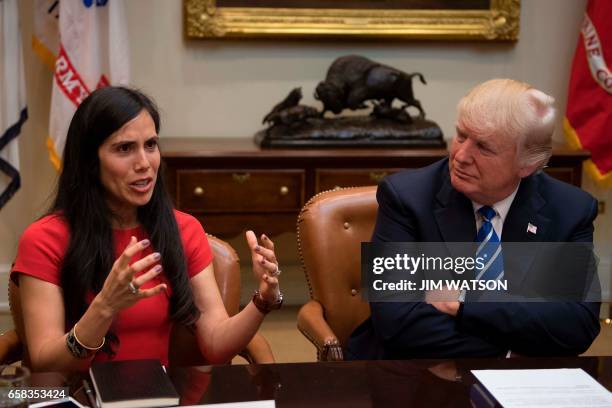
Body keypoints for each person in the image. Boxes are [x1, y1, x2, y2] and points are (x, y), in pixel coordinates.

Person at [11, 86, 283, 371]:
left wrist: (263, 300)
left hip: (158, 398)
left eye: (150, 145)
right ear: (90, 161)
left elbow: (215, 343)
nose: (144, 163)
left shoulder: (183, 229)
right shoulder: (44, 239)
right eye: (124, 148)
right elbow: (45, 363)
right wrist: (104, 307)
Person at [347, 79, 600, 359]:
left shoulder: (570, 210)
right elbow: (396, 322)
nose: (461, 156)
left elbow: (578, 325)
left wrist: (465, 302)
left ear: (528, 163)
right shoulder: (406, 197)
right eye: (460, 135)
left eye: (484, 147)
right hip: (416, 376)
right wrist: (513, 348)